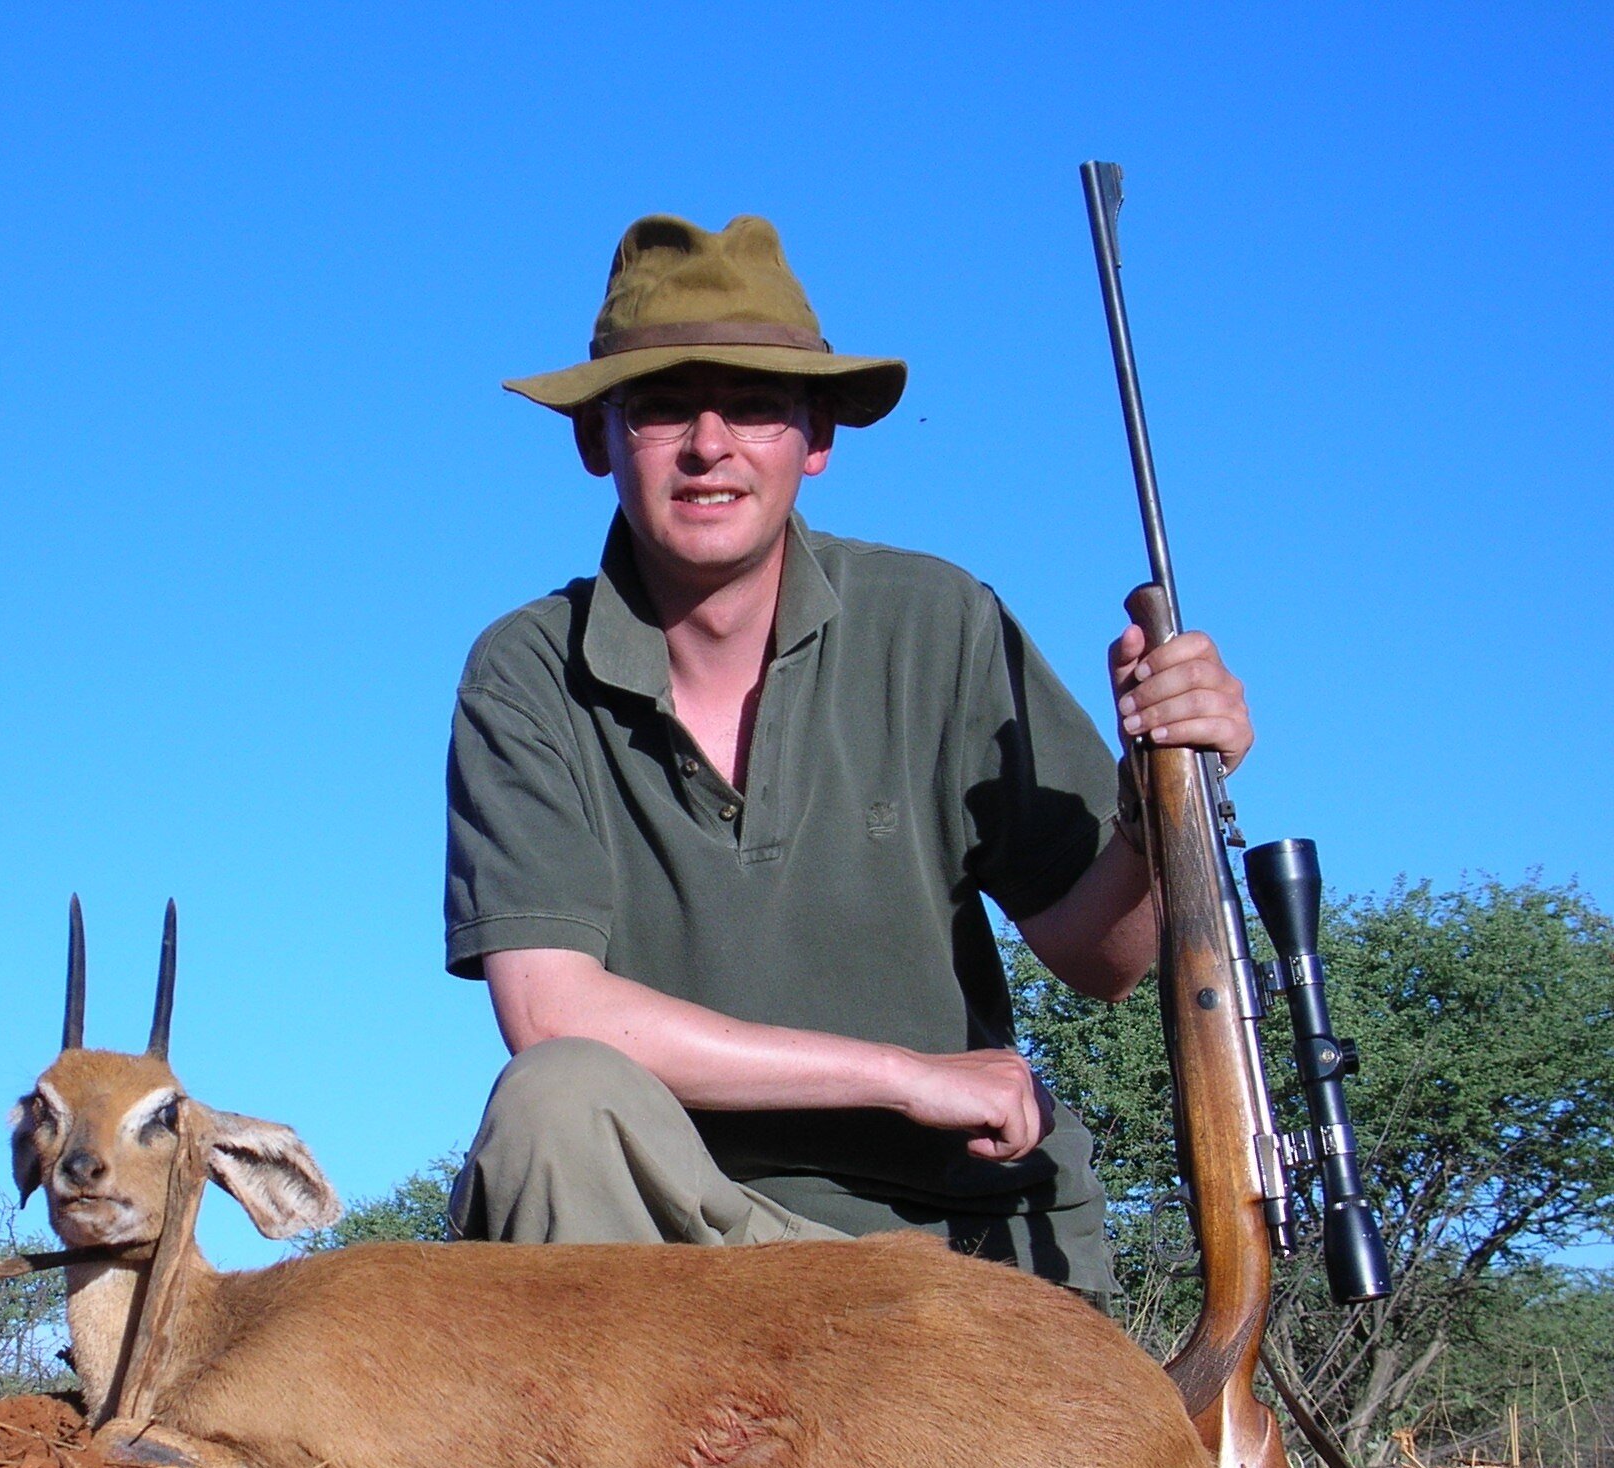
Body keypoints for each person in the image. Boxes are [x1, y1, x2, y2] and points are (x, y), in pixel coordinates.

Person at [442, 213, 1252, 1302]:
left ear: (816, 436)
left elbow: (1100, 958)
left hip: (940, 1255)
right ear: (597, 438)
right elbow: (551, 1013)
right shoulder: (524, 668)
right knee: (553, 1098)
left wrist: (1153, 802)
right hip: (664, 1248)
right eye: (663, 406)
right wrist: (903, 1078)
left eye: (758, 405)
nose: (709, 444)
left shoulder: (938, 620)